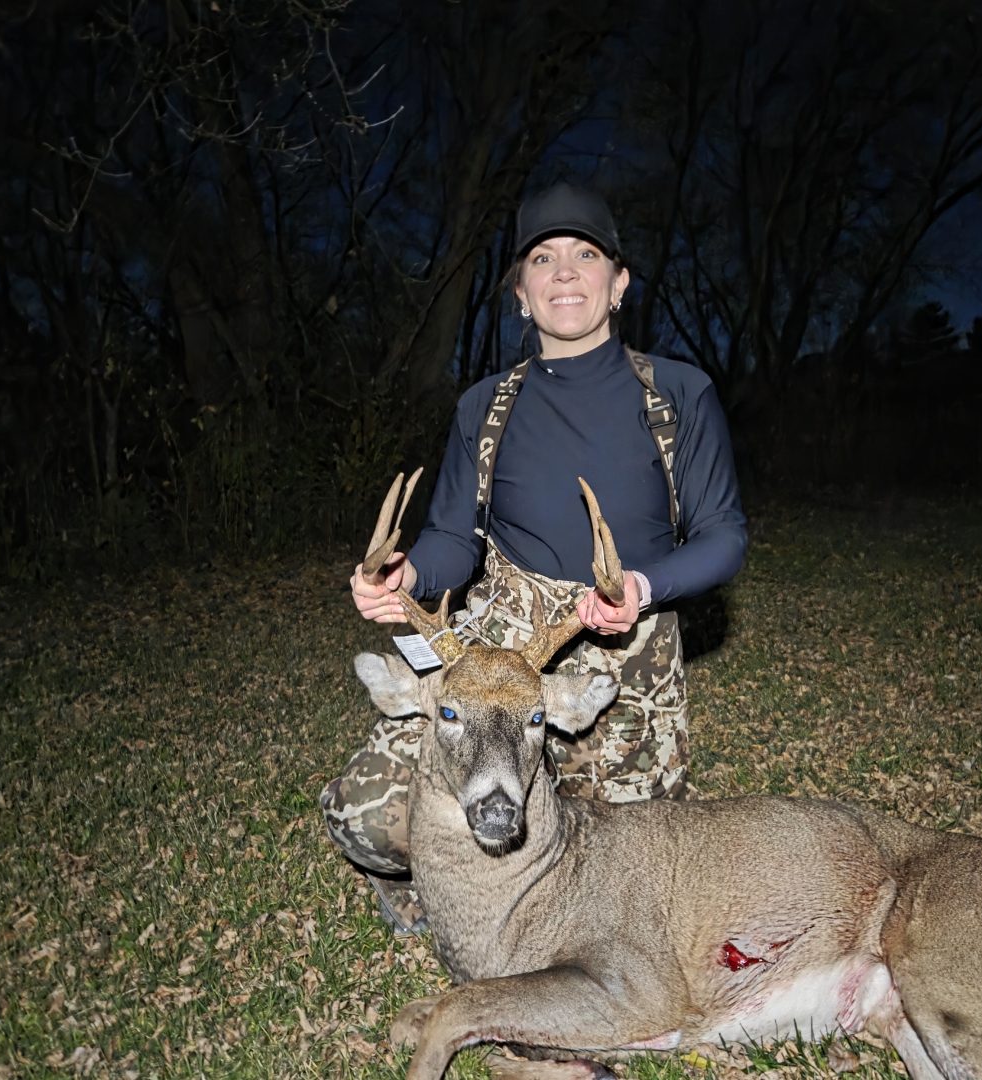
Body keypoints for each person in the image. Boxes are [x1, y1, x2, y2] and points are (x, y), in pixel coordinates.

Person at [320, 182, 747, 931]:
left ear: (619, 283)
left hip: (625, 652)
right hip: (498, 655)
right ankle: (421, 882)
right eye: (543, 259)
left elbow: (724, 536)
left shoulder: (679, 394)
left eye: (586, 255)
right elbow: (454, 538)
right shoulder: (485, 406)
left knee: (635, 881)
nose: (565, 272)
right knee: (368, 816)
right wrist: (409, 573)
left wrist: (643, 586)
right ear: (520, 293)